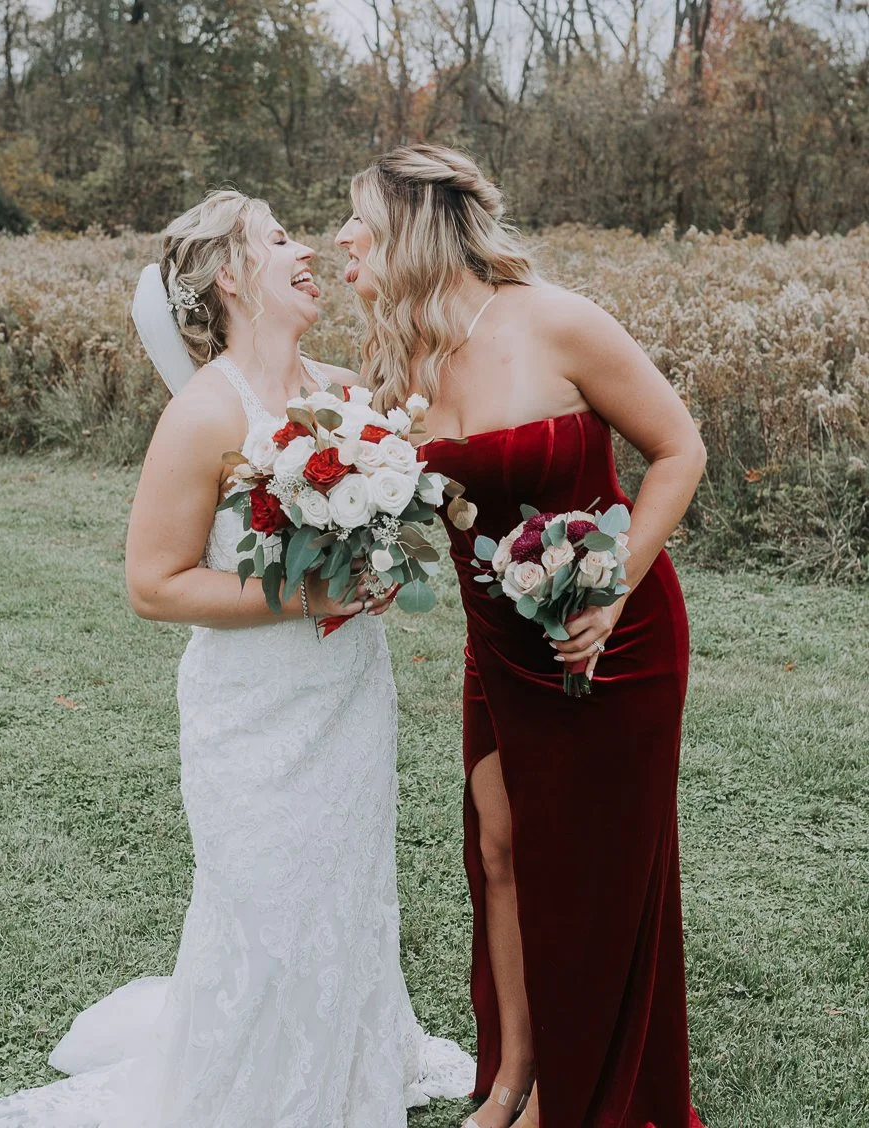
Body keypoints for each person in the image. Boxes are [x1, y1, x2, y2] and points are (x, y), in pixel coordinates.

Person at [0, 189, 473, 1127]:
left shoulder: (343, 394)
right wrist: (309, 594)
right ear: (231, 275)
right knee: (264, 896)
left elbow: (385, 501)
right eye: (280, 238)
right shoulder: (206, 415)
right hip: (252, 709)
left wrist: (373, 563)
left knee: (347, 885)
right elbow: (154, 585)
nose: (305, 250)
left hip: (347, 691)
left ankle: (347, 1059)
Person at [336, 146, 707, 1128]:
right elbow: (400, 498)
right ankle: (511, 1079)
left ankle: (580, 1095)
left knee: (589, 875)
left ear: (416, 225)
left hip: (612, 642)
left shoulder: (558, 321)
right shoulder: (400, 358)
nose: (341, 239)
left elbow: (679, 450)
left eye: (358, 219)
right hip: (496, 644)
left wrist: (616, 589)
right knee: (499, 848)